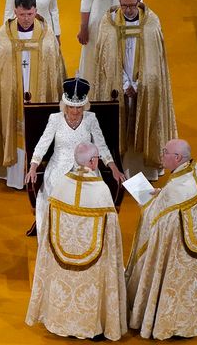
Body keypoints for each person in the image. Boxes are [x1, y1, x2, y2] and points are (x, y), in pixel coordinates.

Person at [26, 142, 126, 340]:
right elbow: (112, 228)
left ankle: (59, 319)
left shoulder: (61, 185)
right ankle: (93, 327)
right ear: (91, 161)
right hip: (93, 262)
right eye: (97, 158)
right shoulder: (100, 190)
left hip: (62, 256)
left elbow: (48, 223)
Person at [126, 139, 197, 339]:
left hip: (175, 249)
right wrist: (161, 194)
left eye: (165, 152)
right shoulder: (195, 172)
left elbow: (155, 218)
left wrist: (148, 201)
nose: (161, 155)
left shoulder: (176, 189)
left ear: (177, 158)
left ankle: (159, 319)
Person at [0, 0, 65, 189]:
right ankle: (16, 177)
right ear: (15, 11)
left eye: (30, 14)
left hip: (39, 94)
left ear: (36, 12)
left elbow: (55, 69)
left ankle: (40, 172)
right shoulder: (4, 34)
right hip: (12, 95)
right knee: (14, 128)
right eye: (22, 14)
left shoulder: (46, 35)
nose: (26, 19)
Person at [91, 0, 177, 180]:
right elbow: (106, 60)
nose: (128, 10)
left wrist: (138, 85)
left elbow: (155, 62)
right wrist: (123, 84)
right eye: (124, 5)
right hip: (118, 84)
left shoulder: (151, 23)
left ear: (139, 1)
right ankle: (117, 169)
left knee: (142, 120)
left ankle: (144, 171)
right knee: (119, 124)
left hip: (143, 86)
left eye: (132, 5)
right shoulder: (109, 24)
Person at [25, 78, 124, 235]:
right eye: (71, 106)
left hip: (87, 166)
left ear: (84, 105)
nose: (75, 111)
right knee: (60, 192)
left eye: (79, 107)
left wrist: (113, 168)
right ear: (65, 105)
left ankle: (86, 235)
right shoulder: (55, 119)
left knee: (92, 194)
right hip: (58, 168)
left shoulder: (91, 119)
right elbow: (42, 144)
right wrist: (32, 167)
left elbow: (102, 146)